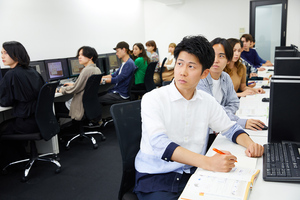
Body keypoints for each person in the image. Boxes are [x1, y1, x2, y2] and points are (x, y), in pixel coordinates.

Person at [134, 35, 264, 199]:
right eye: (180, 64)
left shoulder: (206, 101)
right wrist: (208, 162)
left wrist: (251, 144)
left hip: (193, 171)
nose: (183, 71)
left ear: (204, 73)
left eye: (191, 66)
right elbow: (161, 145)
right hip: (157, 177)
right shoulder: (153, 99)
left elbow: (230, 128)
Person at [197, 38, 266, 150]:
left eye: (221, 56)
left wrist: (222, 118)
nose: (216, 60)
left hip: (222, 128)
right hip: (205, 134)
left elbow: (233, 103)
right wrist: (239, 121)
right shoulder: (200, 79)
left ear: (228, 60)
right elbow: (213, 109)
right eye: (213, 55)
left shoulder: (225, 77)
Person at [0, 41, 45, 135]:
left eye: (6, 53)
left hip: (26, 122)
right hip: (40, 120)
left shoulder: (11, 74)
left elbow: (5, 102)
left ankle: (19, 150)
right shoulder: (32, 71)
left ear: (16, 55)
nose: (2, 56)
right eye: (2, 53)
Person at [55, 46, 101, 121]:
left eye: (82, 55)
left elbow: (75, 89)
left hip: (80, 105)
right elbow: (86, 85)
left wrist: (59, 90)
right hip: (88, 105)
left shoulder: (86, 70)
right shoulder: (96, 69)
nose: (79, 57)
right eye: (79, 55)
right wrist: (74, 84)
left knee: (53, 106)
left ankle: (58, 131)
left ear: (90, 57)